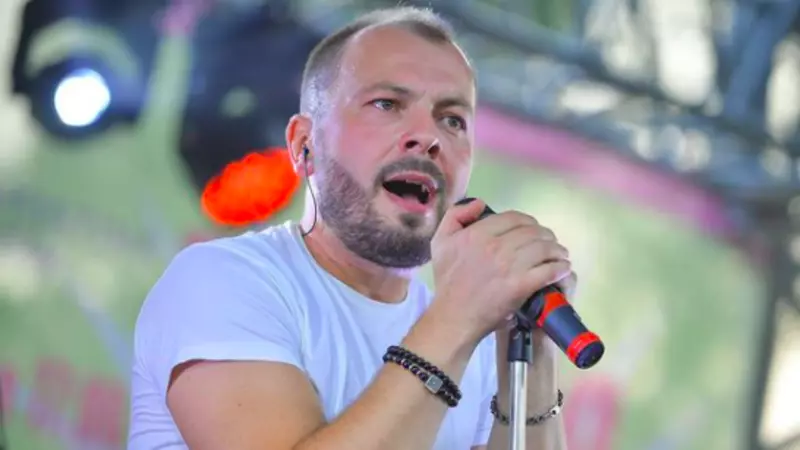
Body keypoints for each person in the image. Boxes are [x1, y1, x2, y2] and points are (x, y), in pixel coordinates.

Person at [127, 6, 576, 450]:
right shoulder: (220, 281)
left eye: (452, 119)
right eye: (387, 104)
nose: (429, 136)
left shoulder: (468, 338)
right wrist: (457, 317)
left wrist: (534, 349)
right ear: (304, 145)